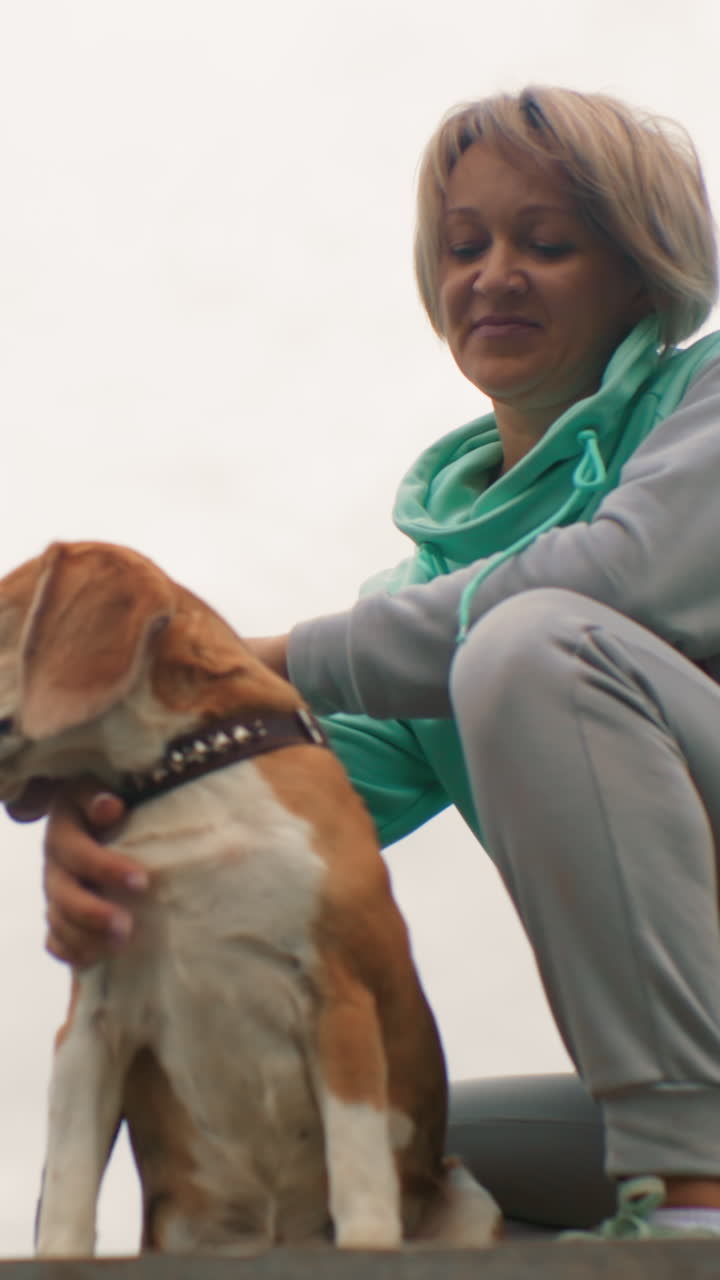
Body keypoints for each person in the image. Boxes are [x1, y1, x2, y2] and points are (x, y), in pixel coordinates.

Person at [21, 85, 720, 1240]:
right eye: (465, 244)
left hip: (696, 1139)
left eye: (546, 242)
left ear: (640, 276)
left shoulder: (707, 402)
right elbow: (265, 805)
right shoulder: (414, 609)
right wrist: (113, 833)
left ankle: (695, 1200)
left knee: (530, 644)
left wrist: (284, 653)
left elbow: (612, 575)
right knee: (394, 1169)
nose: (495, 273)